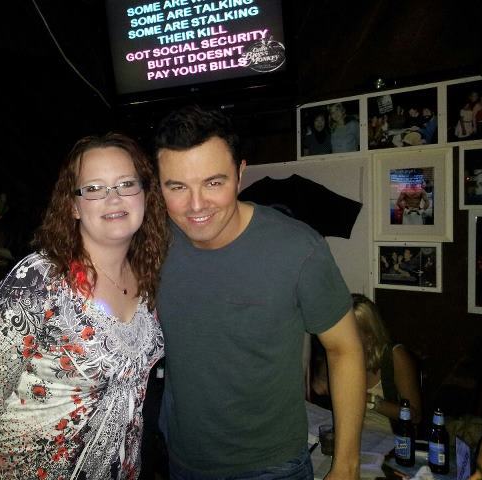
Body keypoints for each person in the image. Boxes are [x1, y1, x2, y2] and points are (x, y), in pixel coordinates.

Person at [154, 105, 365, 480]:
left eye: (213, 183)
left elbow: (344, 348)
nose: (196, 205)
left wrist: (346, 465)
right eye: (177, 187)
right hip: (182, 460)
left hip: (272, 466)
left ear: (240, 174)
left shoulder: (298, 249)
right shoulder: (152, 246)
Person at [0, 133, 168, 479]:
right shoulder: (38, 281)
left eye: (126, 184)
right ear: (73, 206)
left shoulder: (149, 274)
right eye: (94, 188)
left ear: (144, 194)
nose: (113, 198)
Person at [352, 294, 422, 434]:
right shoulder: (340, 355)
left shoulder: (395, 356)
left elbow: (415, 417)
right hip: (354, 435)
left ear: (370, 337)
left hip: (390, 440)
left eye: (350, 333)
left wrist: (370, 400)